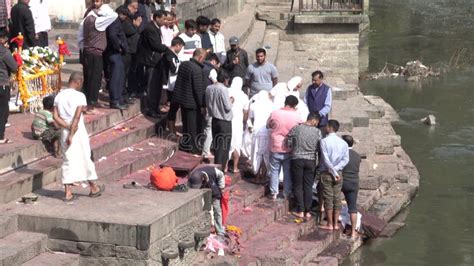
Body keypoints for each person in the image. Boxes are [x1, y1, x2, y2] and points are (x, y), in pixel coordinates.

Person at [53, 72, 105, 202]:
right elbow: (76, 117)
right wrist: (71, 133)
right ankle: (93, 187)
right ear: (79, 82)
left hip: (64, 130)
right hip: (77, 132)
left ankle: (68, 193)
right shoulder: (80, 96)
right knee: (85, 157)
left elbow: (55, 117)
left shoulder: (59, 95)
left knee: (68, 160)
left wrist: (66, 127)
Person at [78, 0, 118, 113]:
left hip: (87, 51)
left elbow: (80, 37)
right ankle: (90, 103)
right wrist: (102, 11)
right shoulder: (97, 20)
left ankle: (88, 102)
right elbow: (114, 15)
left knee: (89, 78)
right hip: (94, 53)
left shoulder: (87, 18)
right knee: (94, 79)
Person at [267, 95, 302, 199]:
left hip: (275, 145)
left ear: (285, 102)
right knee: (287, 171)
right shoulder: (297, 116)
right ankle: (286, 193)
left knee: (274, 170)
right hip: (289, 147)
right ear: (295, 105)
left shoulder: (275, 113)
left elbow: (268, 125)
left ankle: (274, 193)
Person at [172, 48, 207, 154]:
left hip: (183, 101)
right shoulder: (197, 69)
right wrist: (202, 105)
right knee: (193, 128)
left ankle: (185, 146)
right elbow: (198, 89)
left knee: (186, 126)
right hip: (193, 104)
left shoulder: (184, 65)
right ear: (200, 57)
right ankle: (193, 150)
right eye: (203, 59)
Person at [288, 112, 322, 219]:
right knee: (308, 186)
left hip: (297, 159)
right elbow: (320, 146)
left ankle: (300, 210)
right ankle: (308, 211)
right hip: (311, 160)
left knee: (298, 185)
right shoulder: (317, 132)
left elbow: (289, 142)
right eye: (317, 122)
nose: (316, 124)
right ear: (313, 120)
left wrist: (294, 148)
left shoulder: (296, 128)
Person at [318, 119, 349, 231]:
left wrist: (332, 170)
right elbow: (345, 160)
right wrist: (336, 171)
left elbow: (325, 159)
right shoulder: (344, 143)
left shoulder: (324, 141)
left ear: (330, 127)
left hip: (327, 173)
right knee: (337, 198)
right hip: (338, 174)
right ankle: (336, 224)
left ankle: (330, 224)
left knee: (328, 198)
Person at [137, 9, 168, 117]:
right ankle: (151, 109)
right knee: (152, 86)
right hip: (151, 61)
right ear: (157, 18)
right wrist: (168, 49)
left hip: (157, 61)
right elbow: (155, 45)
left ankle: (155, 107)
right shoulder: (150, 29)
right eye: (163, 19)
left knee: (157, 86)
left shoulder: (156, 28)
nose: (165, 21)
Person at [206, 70, 233, 170]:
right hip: (224, 121)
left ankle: (216, 168)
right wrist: (231, 100)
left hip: (214, 119)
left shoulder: (209, 88)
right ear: (225, 79)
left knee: (217, 146)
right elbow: (227, 107)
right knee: (224, 147)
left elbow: (208, 104)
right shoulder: (223, 89)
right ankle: (220, 171)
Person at [188, 165, 226, 236]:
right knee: (205, 210)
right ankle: (206, 228)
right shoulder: (192, 177)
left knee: (217, 210)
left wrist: (222, 187)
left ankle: (220, 230)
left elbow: (221, 175)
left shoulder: (213, 171)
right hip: (202, 192)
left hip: (215, 190)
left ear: (203, 178)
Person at [104, 9, 129, 110]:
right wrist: (118, 46)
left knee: (119, 76)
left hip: (116, 53)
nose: (125, 18)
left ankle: (118, 99)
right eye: (125, 16)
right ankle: (115, 100)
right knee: (116, 77)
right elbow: (112, 35)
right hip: (113, 52)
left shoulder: (116, 21)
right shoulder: (114, 21)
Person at [117, 3, 141, 104]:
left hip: (132, 50)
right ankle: (122, 95)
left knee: (129, 73)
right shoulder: (125, 19)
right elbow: (129, 31)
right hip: (126, 50)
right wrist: (136, 26)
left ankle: (126, 94)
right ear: (129, 7)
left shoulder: (131, 18)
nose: (136, 10)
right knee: (123, 74)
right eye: (134, 8)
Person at [245, 90, 273, 177]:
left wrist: (250, 126)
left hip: (256, 132)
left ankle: (256, 175)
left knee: (256, 154)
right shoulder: (272, 105)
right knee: (266, 155)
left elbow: (249, 119)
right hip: (267, 133)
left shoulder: (254, 105)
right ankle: (263, 176)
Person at [161, 37, 184, 134]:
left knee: (174, 107)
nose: (181, 50)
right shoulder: (169, 55)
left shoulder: (173, 55)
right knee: (173, 107)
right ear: (177, 45)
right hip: (170, 85)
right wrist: (181, 66)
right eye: (181, 47)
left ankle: (172, 128)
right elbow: (173, 69)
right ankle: (171, 129)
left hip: (174, 84)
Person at [341, 134, 361, 238]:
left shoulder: (341, 154)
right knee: (353, 208)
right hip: (353, 182)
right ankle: (353, 232)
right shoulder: (357, 156)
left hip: (342, 181)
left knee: (334, 201)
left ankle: (333, 224)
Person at [228, 77, 249, 173]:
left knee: (227, 144)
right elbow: (245, 112)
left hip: (227, 121)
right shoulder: (244, 96)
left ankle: (224, 167)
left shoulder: (227, 91)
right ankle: (235, 167)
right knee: (236, 145)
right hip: (238, 123)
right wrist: (244, 122)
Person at [0, 28, 17, 145]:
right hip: (2, 85)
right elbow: (14, 67)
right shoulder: (4, 52)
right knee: (3, 111)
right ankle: (0, 137)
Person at [201, 53, 220, 159]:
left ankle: (201, 146)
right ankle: (206, 151)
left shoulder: (201, 66)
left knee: (203, 126)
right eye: (217, 64)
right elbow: (215, 84)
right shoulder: (211, 70)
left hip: (200, 101)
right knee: (209, 127)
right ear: (213, 61)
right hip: (209, 102)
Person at [304, 70, 332, 136]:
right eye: (312, 80)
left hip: (322, 120)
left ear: (321, 79)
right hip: (310, 120)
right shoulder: (309, 88)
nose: (313, 82)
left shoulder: (327, 89)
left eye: (315, 80)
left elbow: (328, 106)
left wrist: (319, 115)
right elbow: (305, 102)